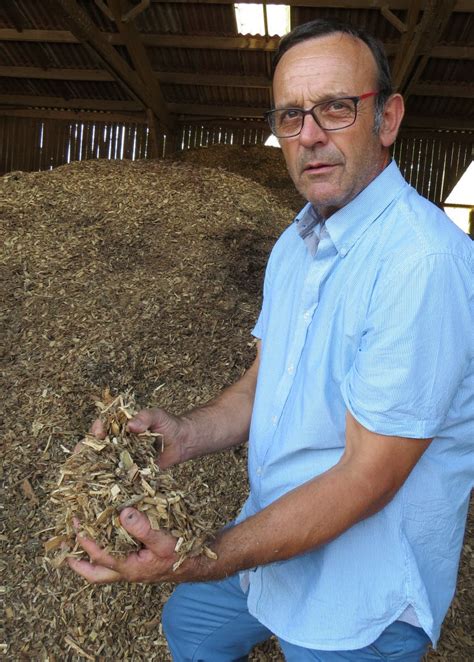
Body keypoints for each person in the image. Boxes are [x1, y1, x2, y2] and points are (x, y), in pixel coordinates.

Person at [68, 18, 474, 662]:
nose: (309, 135)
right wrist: (185, 433)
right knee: (192, 629)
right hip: (271, 538)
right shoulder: (296, 243)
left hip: (360, 594)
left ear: (387, 119)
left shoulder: (422, 264)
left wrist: (200, 559)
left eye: (337, 108)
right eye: (290, 116)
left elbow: (366, 480)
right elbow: (264, 382)